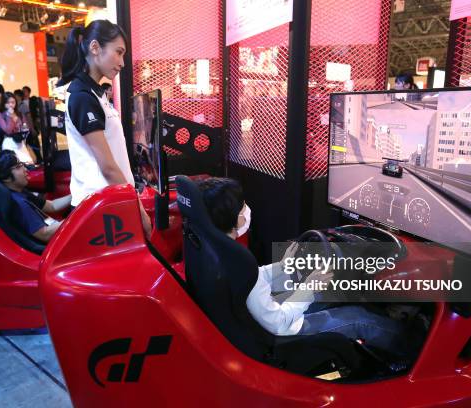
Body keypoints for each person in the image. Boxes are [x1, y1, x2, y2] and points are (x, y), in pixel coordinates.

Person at [197, 177, 420, 357]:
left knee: (328, 295)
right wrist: (309, 287)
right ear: (235, 219)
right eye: (243, 205)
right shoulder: (238, 259)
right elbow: (278, 322)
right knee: (359, 318)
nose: (247, 209)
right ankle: (414, 350)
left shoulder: (217, 250)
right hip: (278, 333)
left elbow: (253, 279)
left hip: (257, 318)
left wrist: (283, 266)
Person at [58, 19, 151, 237]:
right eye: (118, 52)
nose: (122, 62)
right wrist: (138, 210)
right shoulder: (82, 97)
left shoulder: (95, 94)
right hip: (100, 205)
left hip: (109, 200)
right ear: (95, 48)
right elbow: (107, 167)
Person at [0, 150, 71, 243]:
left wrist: (77, 196)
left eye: (22, 164)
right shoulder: (18, 203)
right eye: (18, 167)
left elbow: (52, 206)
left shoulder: (20, 192)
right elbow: (45, 234)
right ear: (6, 177)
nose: (25, 169)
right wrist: (76, 219)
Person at [0, 91, 35, 163]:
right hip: (8, 142)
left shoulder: (19, 113)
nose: (10, 105)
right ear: (3, 103)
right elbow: (8, 130)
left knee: (28, 163)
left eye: (13, 102)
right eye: (7, 102)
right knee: (14, 165)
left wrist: (21, 126)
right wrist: (10, 116)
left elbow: (26, 128)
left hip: (20, 142)